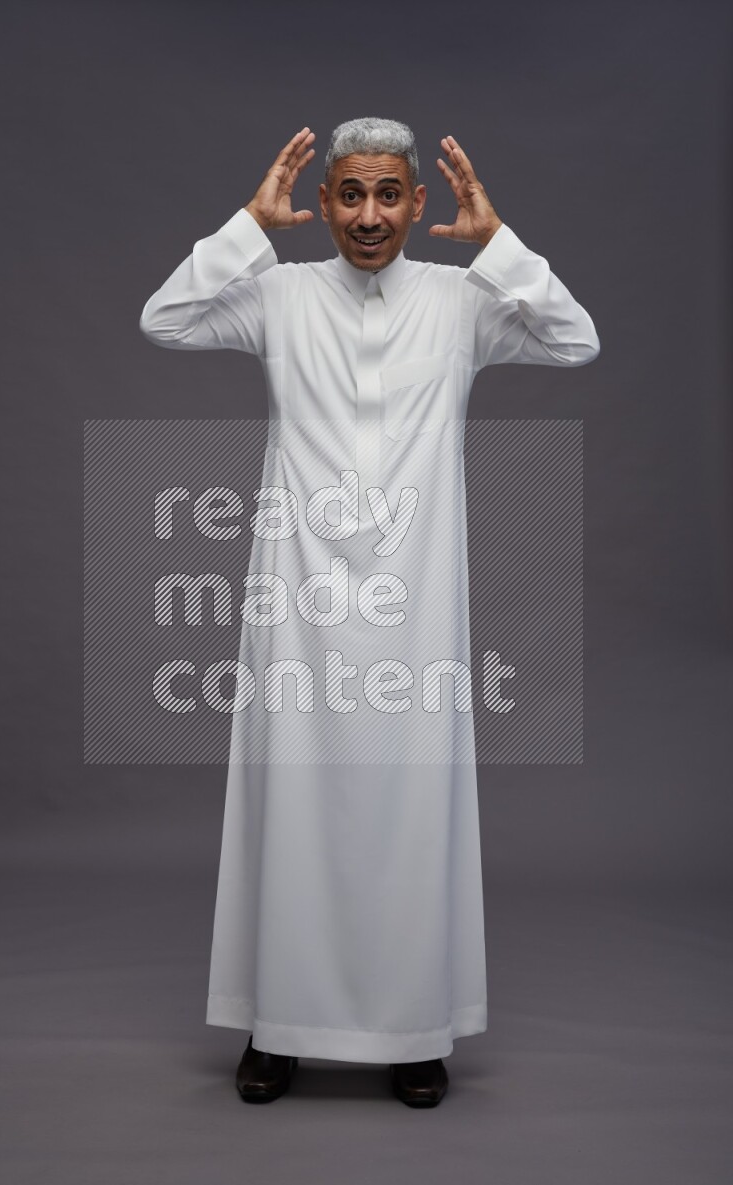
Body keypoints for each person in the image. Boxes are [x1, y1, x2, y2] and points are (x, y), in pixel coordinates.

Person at [139, 117, 600, 1107]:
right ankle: (276, 1028)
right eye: (349, 193)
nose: (368, 215)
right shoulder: (279, 293)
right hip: (297, 600)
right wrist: (247, 228)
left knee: (410, 810)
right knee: (292, 804)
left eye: (388, 194)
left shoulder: (460, 302)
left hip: (416, 604)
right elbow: (163, 320)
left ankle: (412, 1030)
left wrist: (498, 244)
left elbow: (576, 339)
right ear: (324, 201)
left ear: (417, 203)